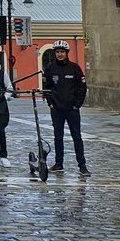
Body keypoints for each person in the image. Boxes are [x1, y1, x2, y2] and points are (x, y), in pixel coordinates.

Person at [43, 40, 90, 176]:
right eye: (57, 52)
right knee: (58, 136)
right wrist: (50, 103)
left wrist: (77, 104)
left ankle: (82, 165)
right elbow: (46, 88)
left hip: (72, 109)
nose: (60, 54)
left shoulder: (75, 68)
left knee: (77, 137)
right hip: (56, 109)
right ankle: (59, 163)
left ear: (67, 53)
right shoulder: (50, 68)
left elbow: (82, 87)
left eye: (62, 52)